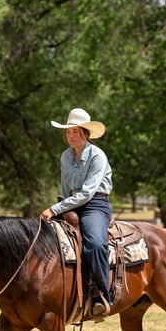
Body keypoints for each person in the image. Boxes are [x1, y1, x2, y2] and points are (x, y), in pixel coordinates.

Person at [40, 108, 114, 317]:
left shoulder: (97, 156)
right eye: (67, 132)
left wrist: (54, 209)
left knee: (95, 243)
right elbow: (65, 189)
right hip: (70, 203)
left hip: (95, 204)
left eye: (75, 131)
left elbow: (88, 193)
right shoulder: (65, 156)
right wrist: (61, 207)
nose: (70, 136)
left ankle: (102, 295)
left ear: (85, 133)